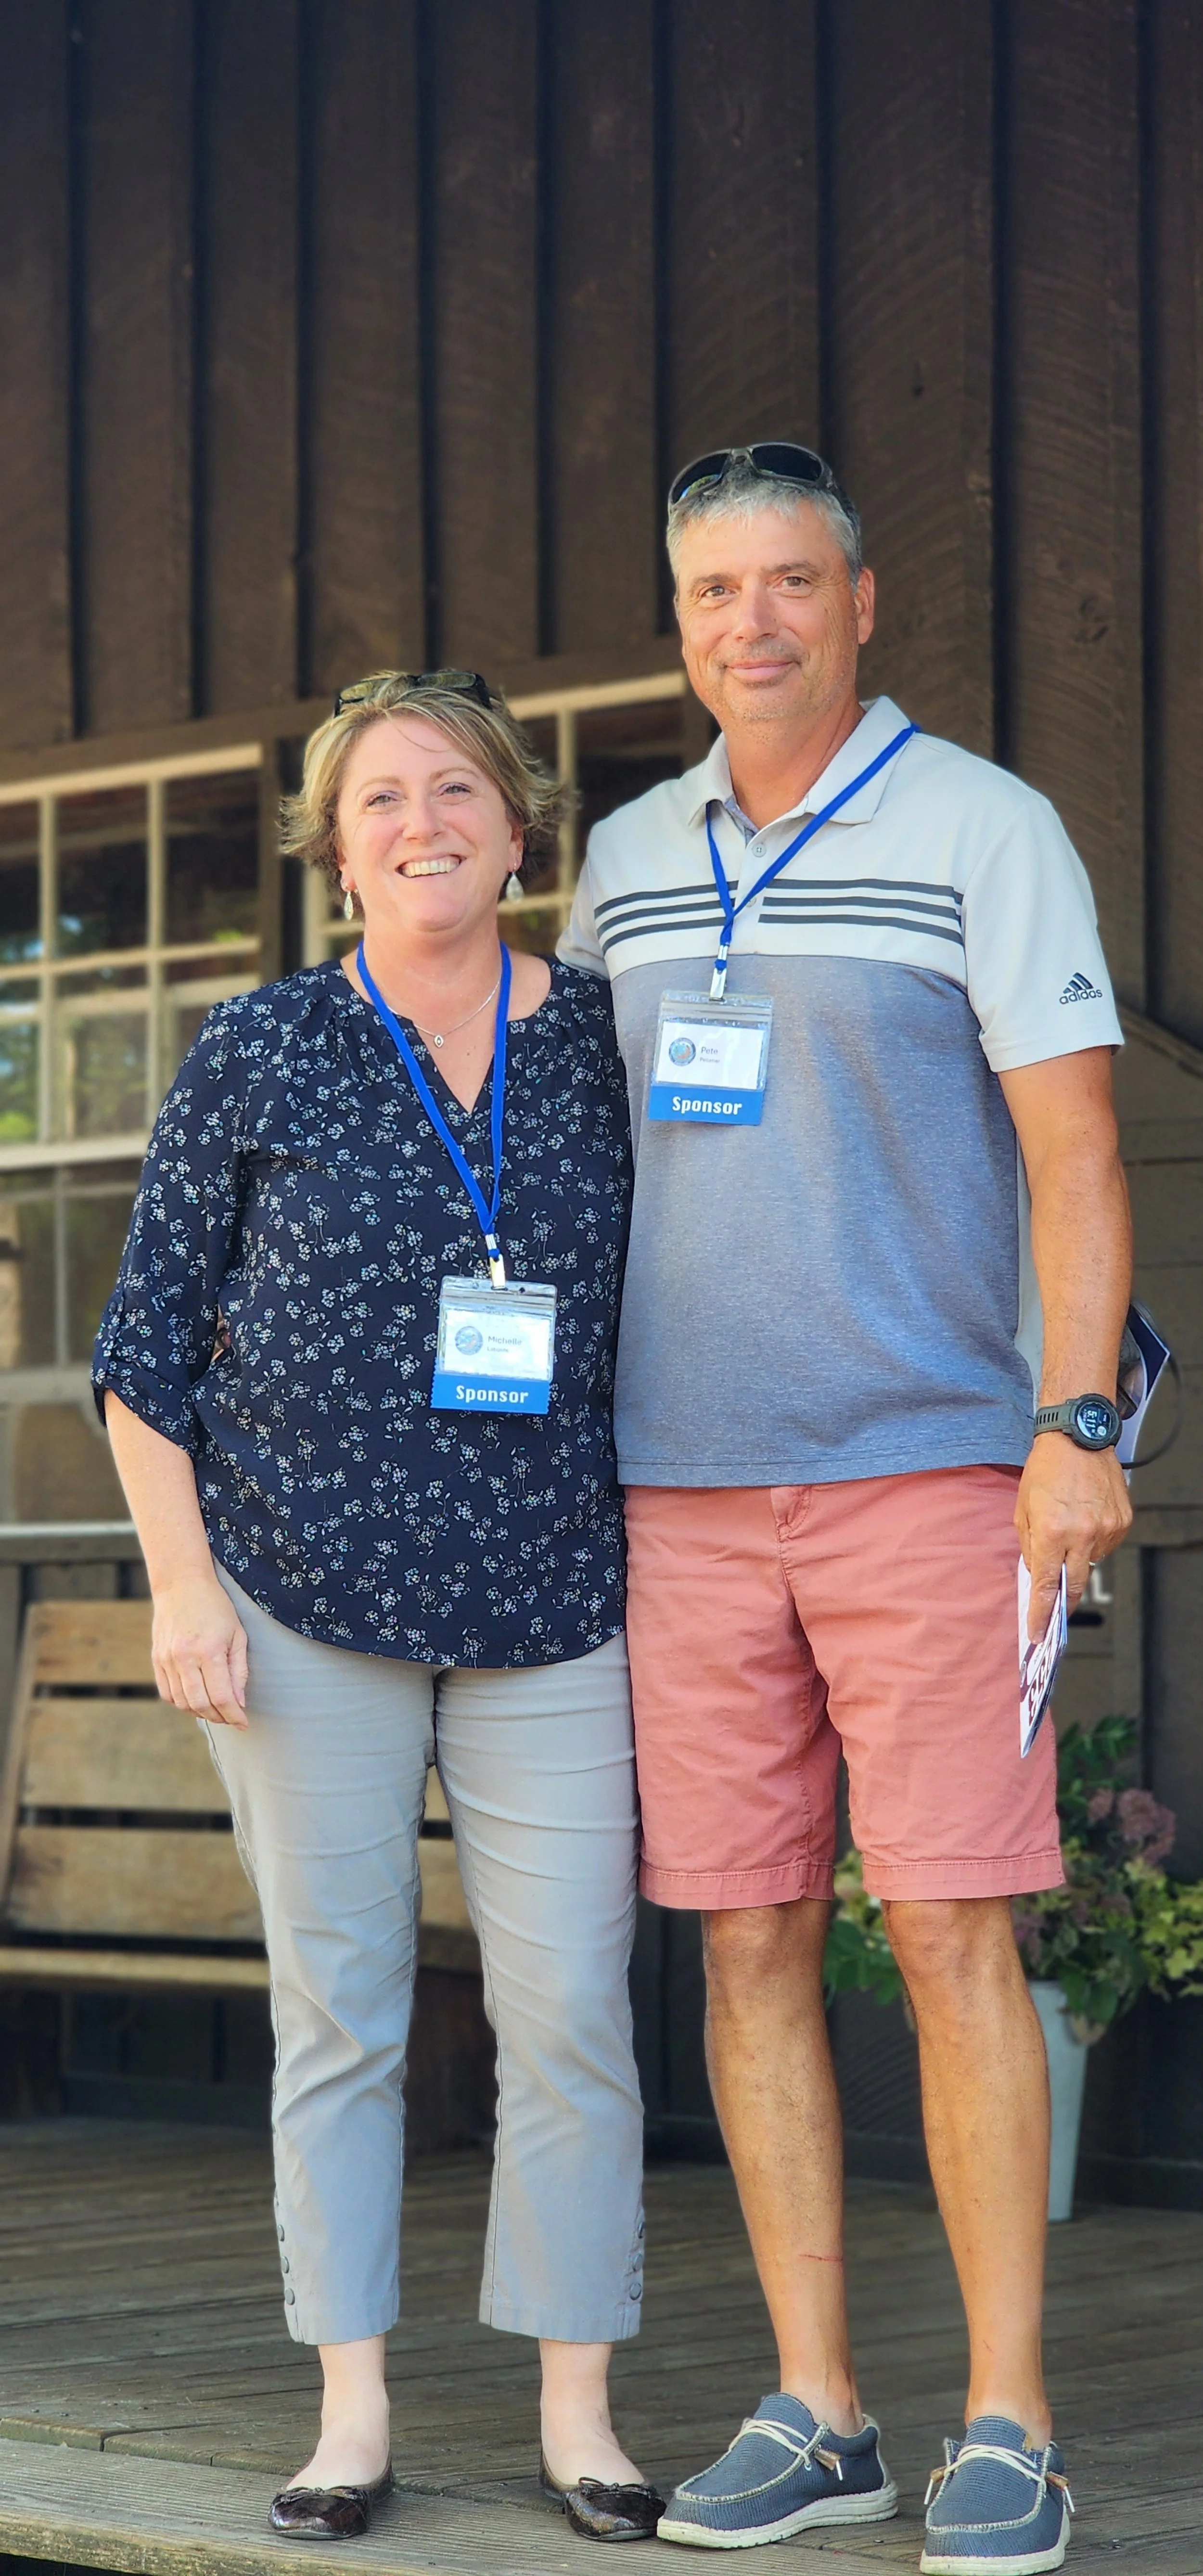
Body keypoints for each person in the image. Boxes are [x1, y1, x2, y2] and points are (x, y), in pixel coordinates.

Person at [560, 446, 1131, 2573]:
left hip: (927, 1470)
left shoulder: (986, 828)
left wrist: (1077, 1424)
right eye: (716, 592)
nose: (755, 624)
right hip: (679, 1491)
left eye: (791, 583)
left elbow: (1074, 1156)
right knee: (747, 1939)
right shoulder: (621, 862)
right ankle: (821, 2410)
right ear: (683, 619)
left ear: (862, 601)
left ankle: (1008, 2423)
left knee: (958, 1931)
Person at [93, 670, 663, 2546]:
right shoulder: (257, 1048)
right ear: (336, 857)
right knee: (338, 2020)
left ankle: (578, 2411)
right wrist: (181, 1587)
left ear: (518, 822)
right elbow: (144, 1354)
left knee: (571, 2011)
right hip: (300, 1601)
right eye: (378, 803)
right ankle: (351, 2414)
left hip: (555, 1597)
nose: (419, 822)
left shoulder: (608, 1040)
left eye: (451, 790)